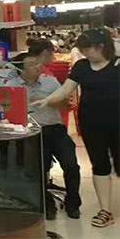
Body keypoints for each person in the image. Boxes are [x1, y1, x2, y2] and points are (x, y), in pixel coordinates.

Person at [32, 29, 119, 228]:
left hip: (117, 123)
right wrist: (48, 100)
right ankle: (105, 210)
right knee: (100, 165)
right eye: (83, 50)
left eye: (88, 49)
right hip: (91, 125)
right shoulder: (81, 67)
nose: (85, 53)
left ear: (101, 46)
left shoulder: (117, 64)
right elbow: (65, 89)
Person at [7, 53, 81, 219]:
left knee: (71, 165)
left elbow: (65, 105)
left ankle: (73, 203)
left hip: (55, 130)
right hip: (30, 132)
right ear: (21, 69)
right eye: (32, 64)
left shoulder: (50, 82)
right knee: (37, 168)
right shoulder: (11, 86)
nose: (38, 66)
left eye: (38, 63)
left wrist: (49, 100)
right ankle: (47, 203)